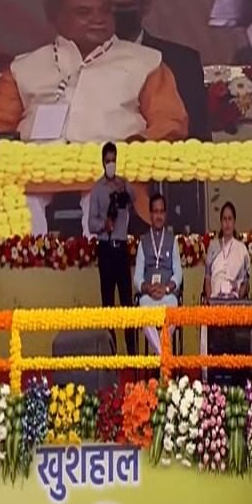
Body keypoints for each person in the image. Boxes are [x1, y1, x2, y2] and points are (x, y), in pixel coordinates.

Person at [0, 0, 189, 234]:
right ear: (55, 17)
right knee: (17, 205)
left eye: (105, 11)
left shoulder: (145, 62)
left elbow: (170, 121)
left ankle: (99, 261)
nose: (98, 19)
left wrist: (136, 147)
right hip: (33, 172)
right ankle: (29, 260)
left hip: (112, 169)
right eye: (84, 12)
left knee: (105, 199)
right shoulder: (24, 67)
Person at [90, 0, 207, 137]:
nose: (113, 16)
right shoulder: (66, 61)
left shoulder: (182, 62)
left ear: (145, 7)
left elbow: (197, 138)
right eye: (106, 8)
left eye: (123, 8)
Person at [88, 142, 138, 355]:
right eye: (107, 161)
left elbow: (134, 198)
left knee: (127, 302)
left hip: (121, 249)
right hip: (106, 249)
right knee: (108, 304)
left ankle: (132, 353)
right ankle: (112, 354)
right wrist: (104, 225)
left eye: (113, 160)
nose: (111, 164)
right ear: (102, 162)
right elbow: (91, 224)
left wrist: (123, 186)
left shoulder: (122, 184)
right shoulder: (97, 190)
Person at [134, 192, 183, 354]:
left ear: (165, 214)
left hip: (167, 296)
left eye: (161, 211)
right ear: (150, 214)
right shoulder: (143, 242)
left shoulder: (172, 240)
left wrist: (166, 288)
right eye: (155, 212)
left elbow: (178, 274)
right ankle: (163, 354)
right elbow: (137, 277)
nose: (158, 216)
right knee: (143, 308)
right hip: (149, 296)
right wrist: (148, 288)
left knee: (174, 308)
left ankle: (159, 353)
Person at [204, 202, 252, 301]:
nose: (227, 223)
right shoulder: (213, 246)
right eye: (224, 219)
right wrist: (210, 301)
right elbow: (207, 278)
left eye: (230, 219)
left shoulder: (241, 249)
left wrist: (238, 297)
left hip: (234, 300)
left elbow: (245, 282)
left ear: (234, 222)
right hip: (215, 299)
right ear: (221, 222)